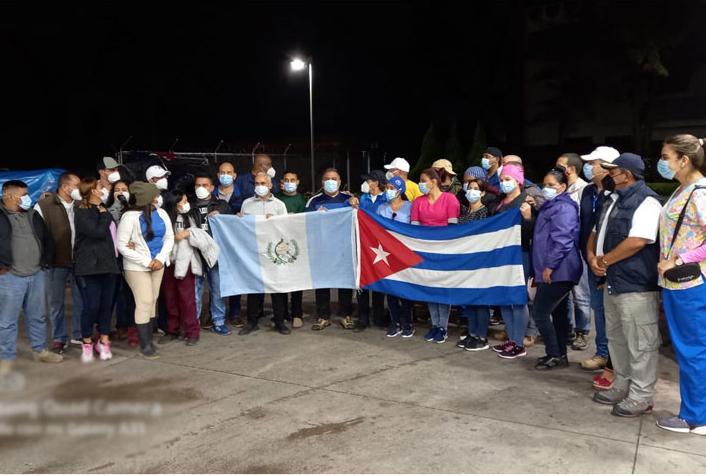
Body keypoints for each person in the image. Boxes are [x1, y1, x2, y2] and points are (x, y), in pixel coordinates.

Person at [586, 153, 662, 418]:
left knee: (641, 344)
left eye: (612, 170)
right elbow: (597, 232)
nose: (608, 174)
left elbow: (638, 240)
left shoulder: (647, 202)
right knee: (617, 339)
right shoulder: (611, 199)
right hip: (611, 282)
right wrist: (591, 257)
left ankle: (641, 396)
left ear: (626, 174)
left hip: (635, 285)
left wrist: (603, 260)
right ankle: (622, 385)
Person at [654, 134, 706, 434]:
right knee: (690, 348)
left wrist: (680, 260)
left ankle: (695, 416)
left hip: (690, 283)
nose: (662, 162)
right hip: (677, 284)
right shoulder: (682, 190)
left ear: (683, 159)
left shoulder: (699, 193)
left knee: (693, 349)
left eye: (666, 156)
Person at [0, 180, 63, 370]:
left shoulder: (33, 215)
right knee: (7, 320)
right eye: (23, 194)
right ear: (9, 196)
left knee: (37, 316)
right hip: (10, 276)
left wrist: (46, 262)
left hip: (37, 274)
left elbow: (47, 239)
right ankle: (6, 357)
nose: (28, 198)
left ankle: (40, 350)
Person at [530, 167, 582, 370]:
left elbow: (562, 240)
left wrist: (550, 266)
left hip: (559, 269)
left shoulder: (564, 208)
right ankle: (560, 354)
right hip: (554, 269)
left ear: (562, 186)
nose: (546, 188)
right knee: (558, 314)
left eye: (552, 185)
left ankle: (554, 353)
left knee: (540, 313)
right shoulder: (553, 205)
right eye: (545, 184)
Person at [117, 182, 174, 359]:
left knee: (152, 300)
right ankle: (144, 345)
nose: (158, 198)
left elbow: (169, 237)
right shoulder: (129, 217)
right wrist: (147, 261)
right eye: (154, 195)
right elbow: (122, 246)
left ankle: (148, 340)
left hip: (158, 264)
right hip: (137, 267)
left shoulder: (162, 213)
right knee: (144, 301)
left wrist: (160, 258)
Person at [578, 146, 620, 374]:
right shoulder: (587, 192)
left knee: (609, 311)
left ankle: (611, 358)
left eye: (593, 163)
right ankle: (602, 352)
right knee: (597, 308)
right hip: (590, 256)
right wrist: (588, 254)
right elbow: (588, 227)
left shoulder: (616, 192)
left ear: (606, 166)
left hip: (609, 262)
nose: (589, 167)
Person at [488, 163, 535, 359]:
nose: (504, 183)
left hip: (519, 254)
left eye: (508, 179)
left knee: (518, 298)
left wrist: (528, 218)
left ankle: (518, 342)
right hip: (502, 255)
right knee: (505, 298)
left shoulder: (526, 201)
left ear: (518, 181)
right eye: (502, 180)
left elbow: (533, 232)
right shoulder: (501, 201)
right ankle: (511, 338)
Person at [35, 171, 84, 353]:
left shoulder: (81, 204)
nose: (79, 190)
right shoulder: (44, 205)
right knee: (56, 303)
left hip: (79, 261)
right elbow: (38, 235)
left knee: (81, 300)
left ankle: (79, 334)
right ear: (65, 187)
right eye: (76, 186)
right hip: (55, 262)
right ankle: (59, 338)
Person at [73, 177, 121, 363]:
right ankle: (86, 342)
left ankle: (104, 340)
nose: (104, 189)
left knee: (106, 307)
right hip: (89, 268)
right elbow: (97, 232)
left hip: (108, 266)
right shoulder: (82, 211)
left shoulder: (104, 210)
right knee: (91, 306)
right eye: (101, 187)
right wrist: (103, 213)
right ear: (93, 191)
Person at [411, 168, 460, 343]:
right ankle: (434, 324)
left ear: (434, 181)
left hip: (444, 250)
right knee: (430, 287)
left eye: (423, 180)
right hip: (425, 250)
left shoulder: (450, 199)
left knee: (443, 287)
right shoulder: (418, 201)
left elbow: (453, 228)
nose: (421, 184)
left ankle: (443, 327)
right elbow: (414, 228)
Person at [238, 172, 290, 336]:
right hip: (254, 251)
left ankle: (279, 321)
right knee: (253, 287)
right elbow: (242, 228)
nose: (259, 186)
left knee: (277, 288)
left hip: (274, 252)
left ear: (270, 185)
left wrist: (275, 221)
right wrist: (240, 220)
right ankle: (252, 321)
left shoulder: (279, 205)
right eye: (256, 183)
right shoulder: (246, 204)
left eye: (262, 183)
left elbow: (287, 228)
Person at [306, 168, 355, 330]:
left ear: (340, 182)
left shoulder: (350, 199)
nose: (330, 181)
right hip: (322, 249)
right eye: (327, 178)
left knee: (345, 283)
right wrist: (314, 216)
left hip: (344, 248)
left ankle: (345, 315)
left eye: (334, 178)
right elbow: (304, 222)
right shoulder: (314, 201)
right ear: (322, 182)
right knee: (322, 283)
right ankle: (323, 316)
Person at [555, 152, 591, 351]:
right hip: (562, 248)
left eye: (560, 165)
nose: (556, 169)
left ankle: (582, 331)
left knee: (581, 293)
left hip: (578, 247)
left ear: (570, 169)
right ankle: (566, 328)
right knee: (563, 292)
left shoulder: (584, 190)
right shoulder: (559, 188)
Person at [160, 190, 203, 346]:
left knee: (187, 299)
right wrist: (173, 237)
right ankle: (173, 329)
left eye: (186, 201)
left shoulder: (192, 216)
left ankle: (192, 331)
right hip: (168, 261)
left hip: (186, 262)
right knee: (170, 298)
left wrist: (188, 234)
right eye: (182, 201)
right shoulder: (165, 217)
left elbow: (201, 237)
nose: (185, 204)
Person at [455, 176, 492, 351]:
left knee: (481, 301)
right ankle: (472, 333)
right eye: (470, 188)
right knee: (469, 301)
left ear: (483, 192)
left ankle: (482, 337)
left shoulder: (485, 213)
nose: (472, 191)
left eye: (476, 188)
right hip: (465, 262)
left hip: (480, 262)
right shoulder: (464, 213)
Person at [193, 173, 233, 336]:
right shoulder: (188, 206)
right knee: (195, 291)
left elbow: (232, 226)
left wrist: (221, 215)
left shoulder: (222, 205)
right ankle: (194, 323)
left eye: (204, 185)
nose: (201, 188)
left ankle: (218, 321)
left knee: (217, 290)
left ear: (212, 188)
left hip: (216, 255)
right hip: (196, 255)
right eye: (198, 185)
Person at [349, 170, 388, 331]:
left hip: (380, 247)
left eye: (369, 180)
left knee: (378, 280)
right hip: (362, 244)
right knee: (363, 281)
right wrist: (350, 202)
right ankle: (363, 318)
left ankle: (378, 316)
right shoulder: (362, 199)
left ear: (377, 182)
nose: (366, 183)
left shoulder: (386, 199)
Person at [377, 176, 415, 338]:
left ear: (400, 190)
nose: (388, 190)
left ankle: (408, 322)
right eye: (387, 187)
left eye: (392, 188)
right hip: (387, 255)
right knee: (391, 290)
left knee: (405, 291)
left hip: (405, 254)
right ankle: (395, 322)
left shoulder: (410, 207)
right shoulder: (381, 208)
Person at [106, 179, 138, 347]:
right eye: (117, 189)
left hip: (130, 256)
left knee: (130, 293)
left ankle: (133, 329)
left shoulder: (133, 210)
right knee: (115, 294)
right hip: (113, 258)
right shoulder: (107, 210)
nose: (120, 192)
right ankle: (119, 327)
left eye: (124, 189)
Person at [275, 171, 308, 328]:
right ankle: (281, 314)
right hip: (278, 244)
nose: (289, 182)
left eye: (292, 180)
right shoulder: (276, 199)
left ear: (298, 181)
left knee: (296, 281)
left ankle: (297, 313)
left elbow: (307, 220)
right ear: (281, 182)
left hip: (297, 244)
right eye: (286, 180)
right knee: (280, 280)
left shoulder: (303, 200)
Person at [213, 161, 244, 327]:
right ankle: (215, 312)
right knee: (215, 278)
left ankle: (235, 312)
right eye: (222, 172)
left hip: (235, 242)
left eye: (229, 172)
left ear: (234, 175)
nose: (225, 175)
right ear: (218, 176)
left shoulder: (242, 194)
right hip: (214, 241)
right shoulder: (210, 193)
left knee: (235, 277)